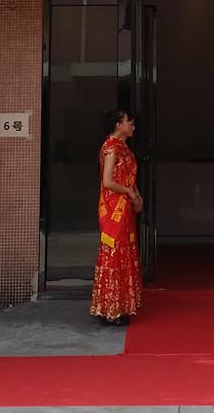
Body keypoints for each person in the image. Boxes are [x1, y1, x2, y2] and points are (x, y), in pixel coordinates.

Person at [91, 108, 143, 325]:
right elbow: (107, 181)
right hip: (114, 209)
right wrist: (129, 192)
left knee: (125, 253)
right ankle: (109, 309)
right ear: (118, 124)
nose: (132, 126)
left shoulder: (125, 149)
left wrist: (137, 196)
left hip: (126, 206)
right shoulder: (111, 148)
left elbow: (129, 179)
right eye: (129, 122)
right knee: (113, 254)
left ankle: (122, 306)